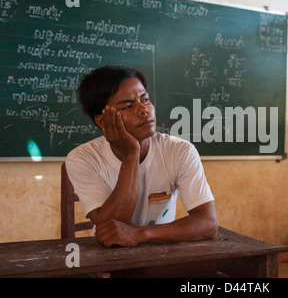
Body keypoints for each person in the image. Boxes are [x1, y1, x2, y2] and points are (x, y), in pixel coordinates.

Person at [65, 65, 218, 247]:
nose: (144, 109)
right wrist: (131, 154)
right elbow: (111, 230)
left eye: (145, 99)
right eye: (129, 106)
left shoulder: (179, 150)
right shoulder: (83, 158)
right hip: (110, 259)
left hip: (161, 250)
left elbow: (208, 223)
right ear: (102, 120)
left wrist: (139, 234)